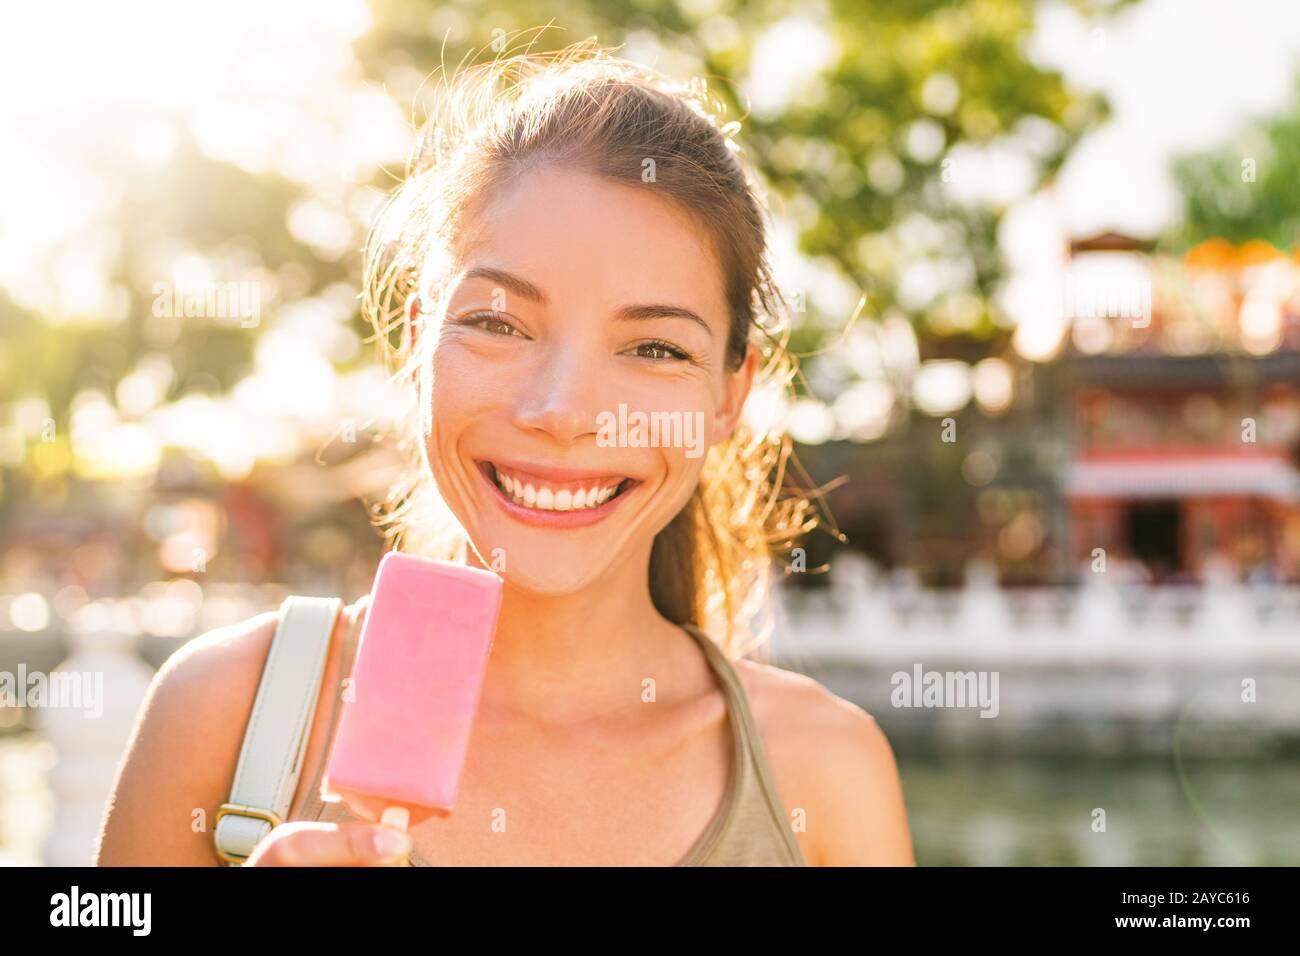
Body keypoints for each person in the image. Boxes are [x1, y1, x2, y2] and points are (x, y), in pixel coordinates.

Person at [96, 38, 914, 867]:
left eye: (656, 349)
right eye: (498, 324)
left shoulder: (827, 773)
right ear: (419, 344)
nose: (562, 412)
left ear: (730, 396)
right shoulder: (223, 716)